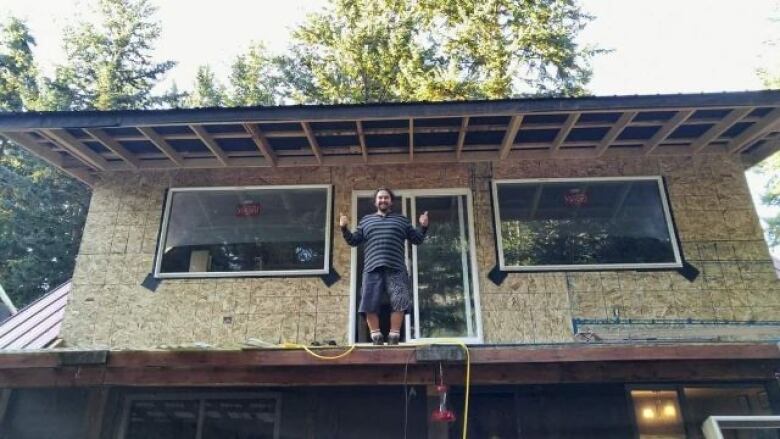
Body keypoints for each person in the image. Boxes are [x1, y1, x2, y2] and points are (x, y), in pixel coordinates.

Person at [340, 188, 429, 345]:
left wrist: (423, 227)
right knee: (368, 301)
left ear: (391, 201)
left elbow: (417, 239)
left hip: (396, 268)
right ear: (375, 202)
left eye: (386, 198)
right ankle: (376, 336)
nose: (383, 200)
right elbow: (353, 241)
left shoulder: (402, 220)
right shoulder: (366, 221)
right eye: (380, 198)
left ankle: (394, 336)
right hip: (372, 268)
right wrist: (344, 228)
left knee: (400, 300)